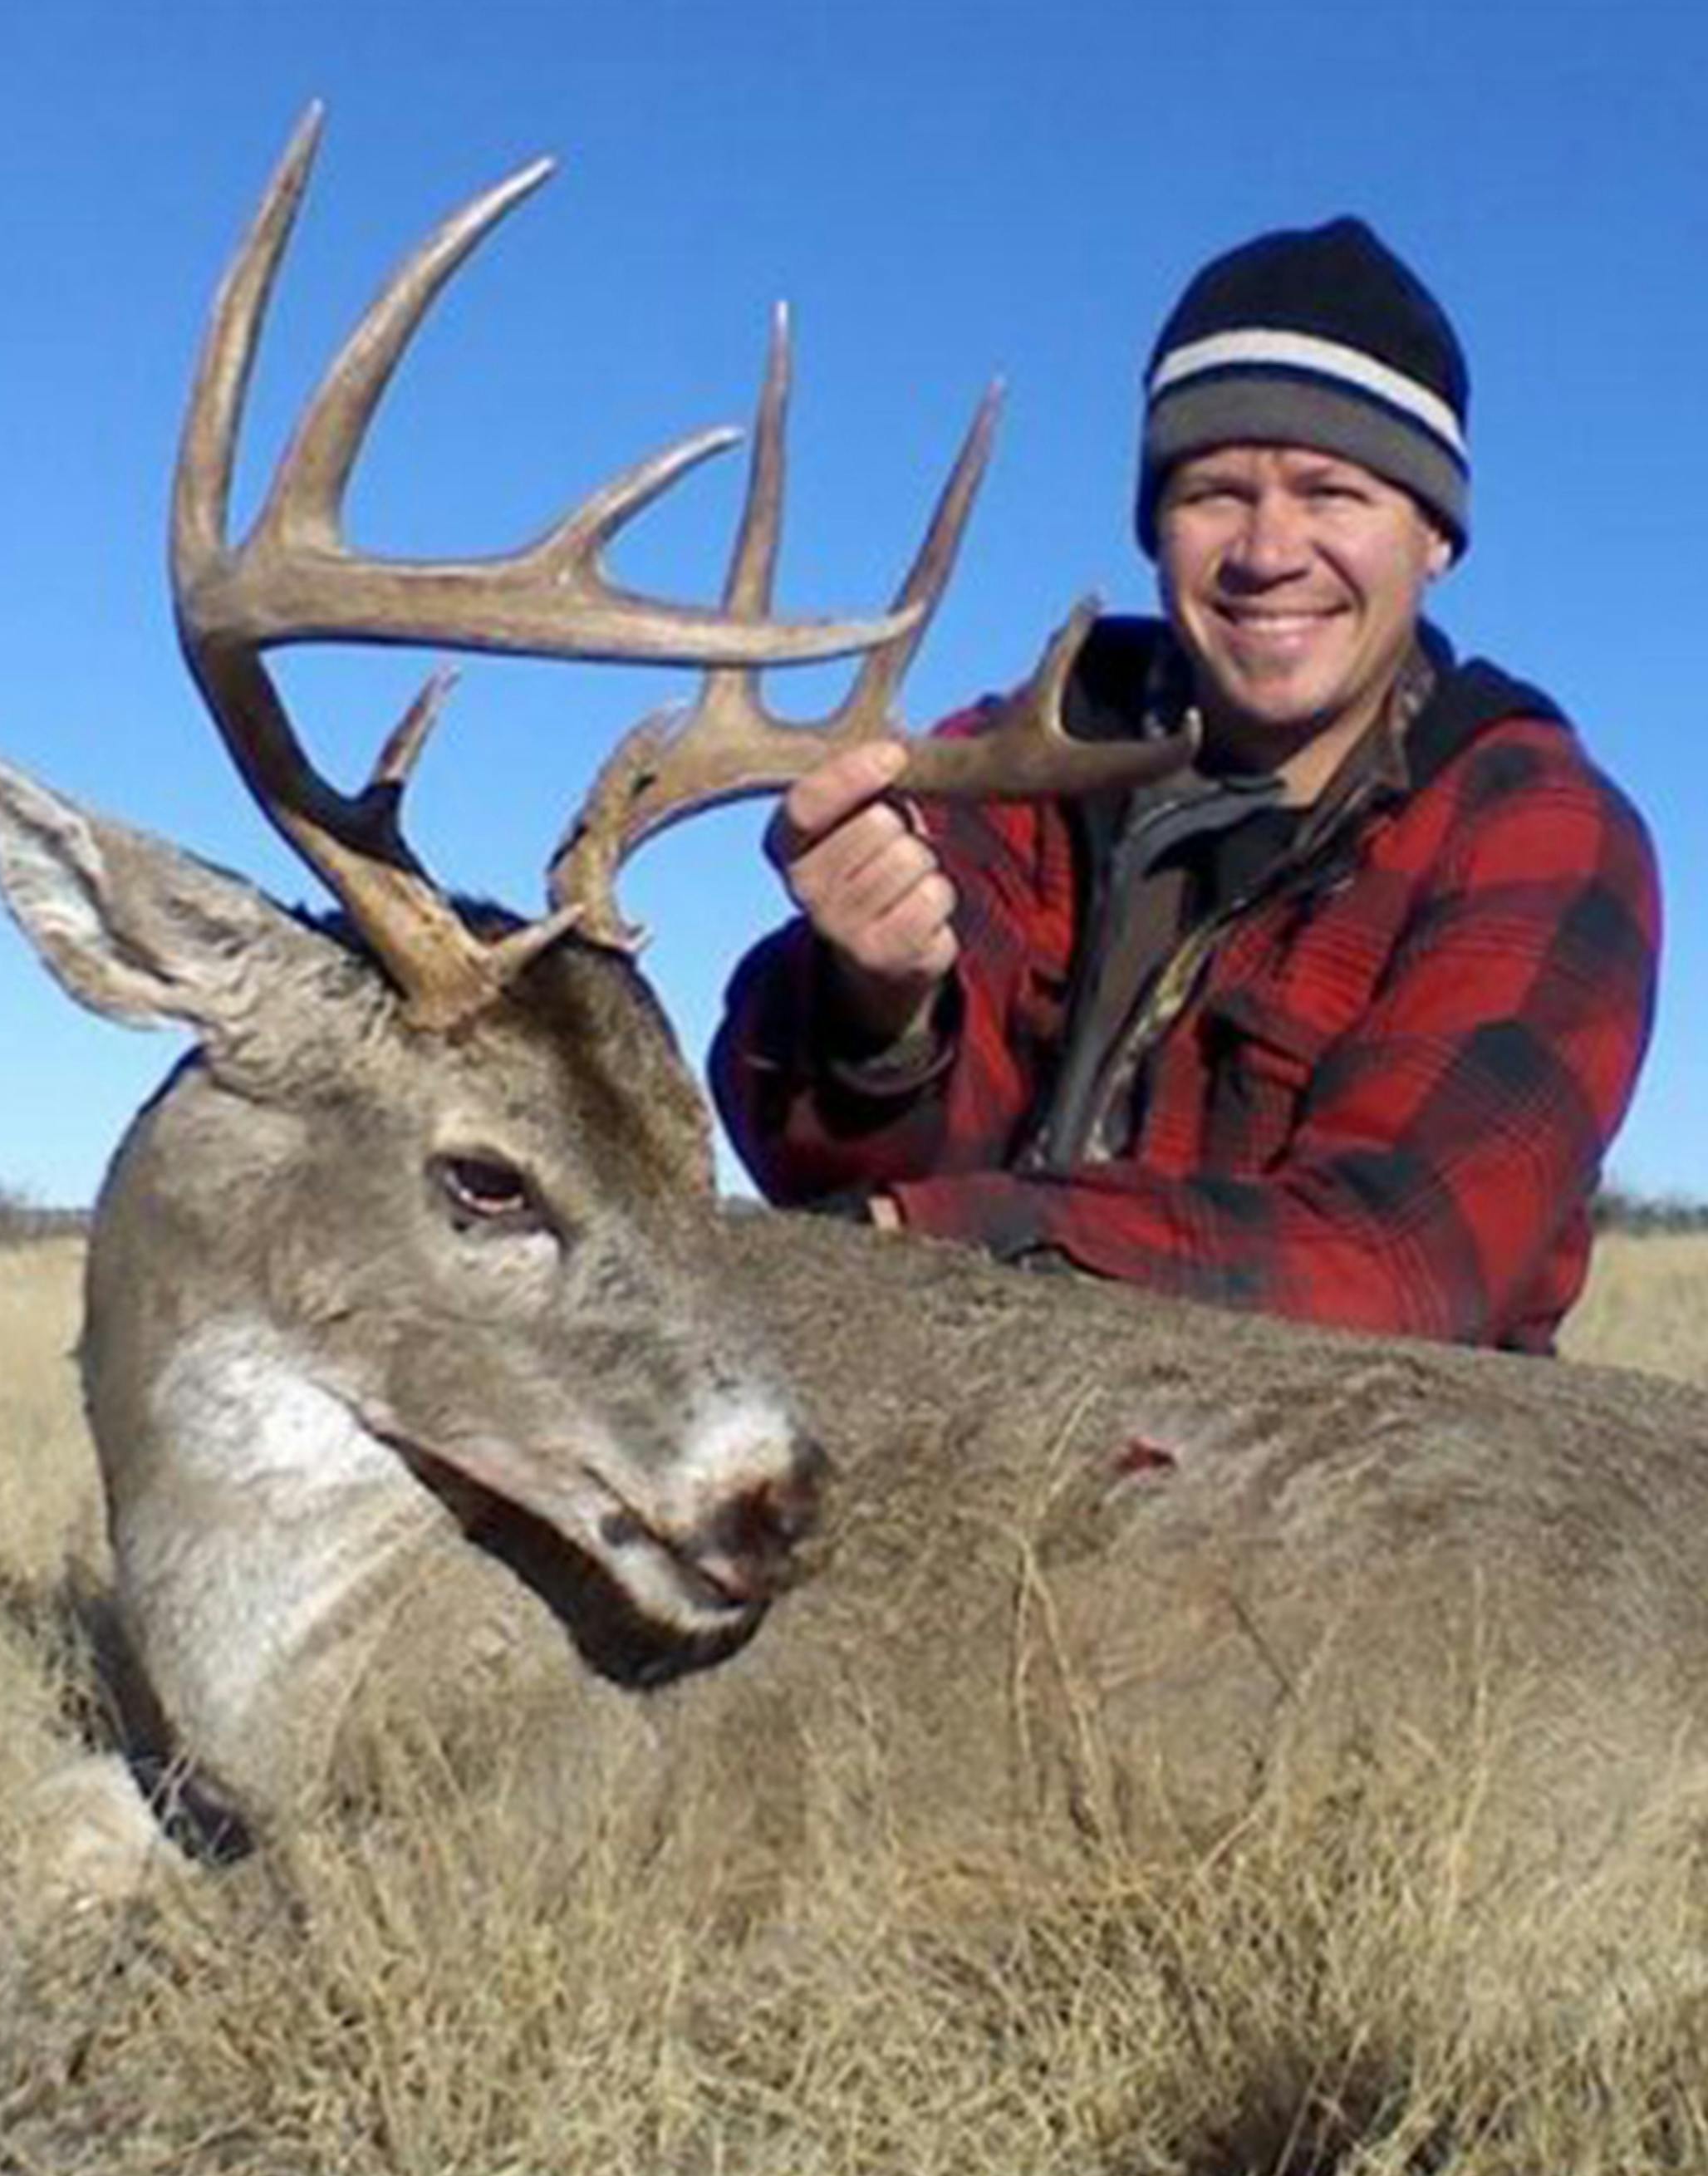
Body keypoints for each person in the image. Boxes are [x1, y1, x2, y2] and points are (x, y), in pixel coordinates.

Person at [709, 217, 1661, 1351]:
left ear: (1435, 537)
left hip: (1369, 1478)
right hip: (1003, 1401)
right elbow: (841, 1162)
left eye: (1332, 492)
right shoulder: (1013, 768)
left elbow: (1401, 1267)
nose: (1269, 550)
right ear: (1156, 526)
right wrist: (879, 1014)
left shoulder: (1534, 829)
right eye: (1215, 490)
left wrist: (922, 1240)